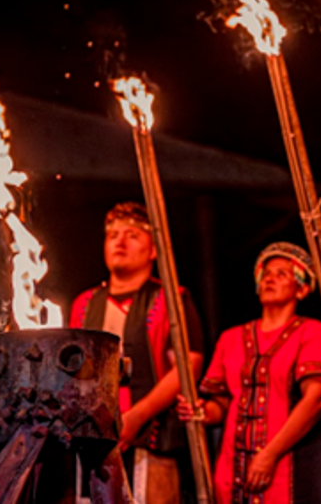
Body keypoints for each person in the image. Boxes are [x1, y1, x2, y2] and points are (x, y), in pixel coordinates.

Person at [177, 242, 321, 504]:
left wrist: (269, 454)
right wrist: (201, 411)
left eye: (282, 274)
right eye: (266, 274)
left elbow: (317, 398)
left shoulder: (311, 332)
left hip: (289, 465)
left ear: (302, 288)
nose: (270, 279)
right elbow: (222, 405)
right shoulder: (230, 338)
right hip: (233, 468)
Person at [70, 202, 205, 504]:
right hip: (92, 441)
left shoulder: (171, 299)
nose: (120, 241)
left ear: (153, 250)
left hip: (152, 441)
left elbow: (188, 365)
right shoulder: (85, 304)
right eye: (113, 235)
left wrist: (138, 415)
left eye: (132, 235)